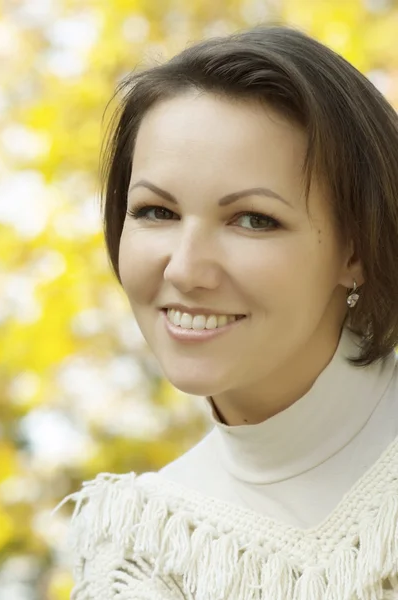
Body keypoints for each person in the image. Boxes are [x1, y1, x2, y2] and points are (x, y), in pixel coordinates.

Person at [55, 24, 398, 599]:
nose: (186, 270)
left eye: (254, 220)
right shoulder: (137, 547)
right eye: (156, 212)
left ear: (356, 249)